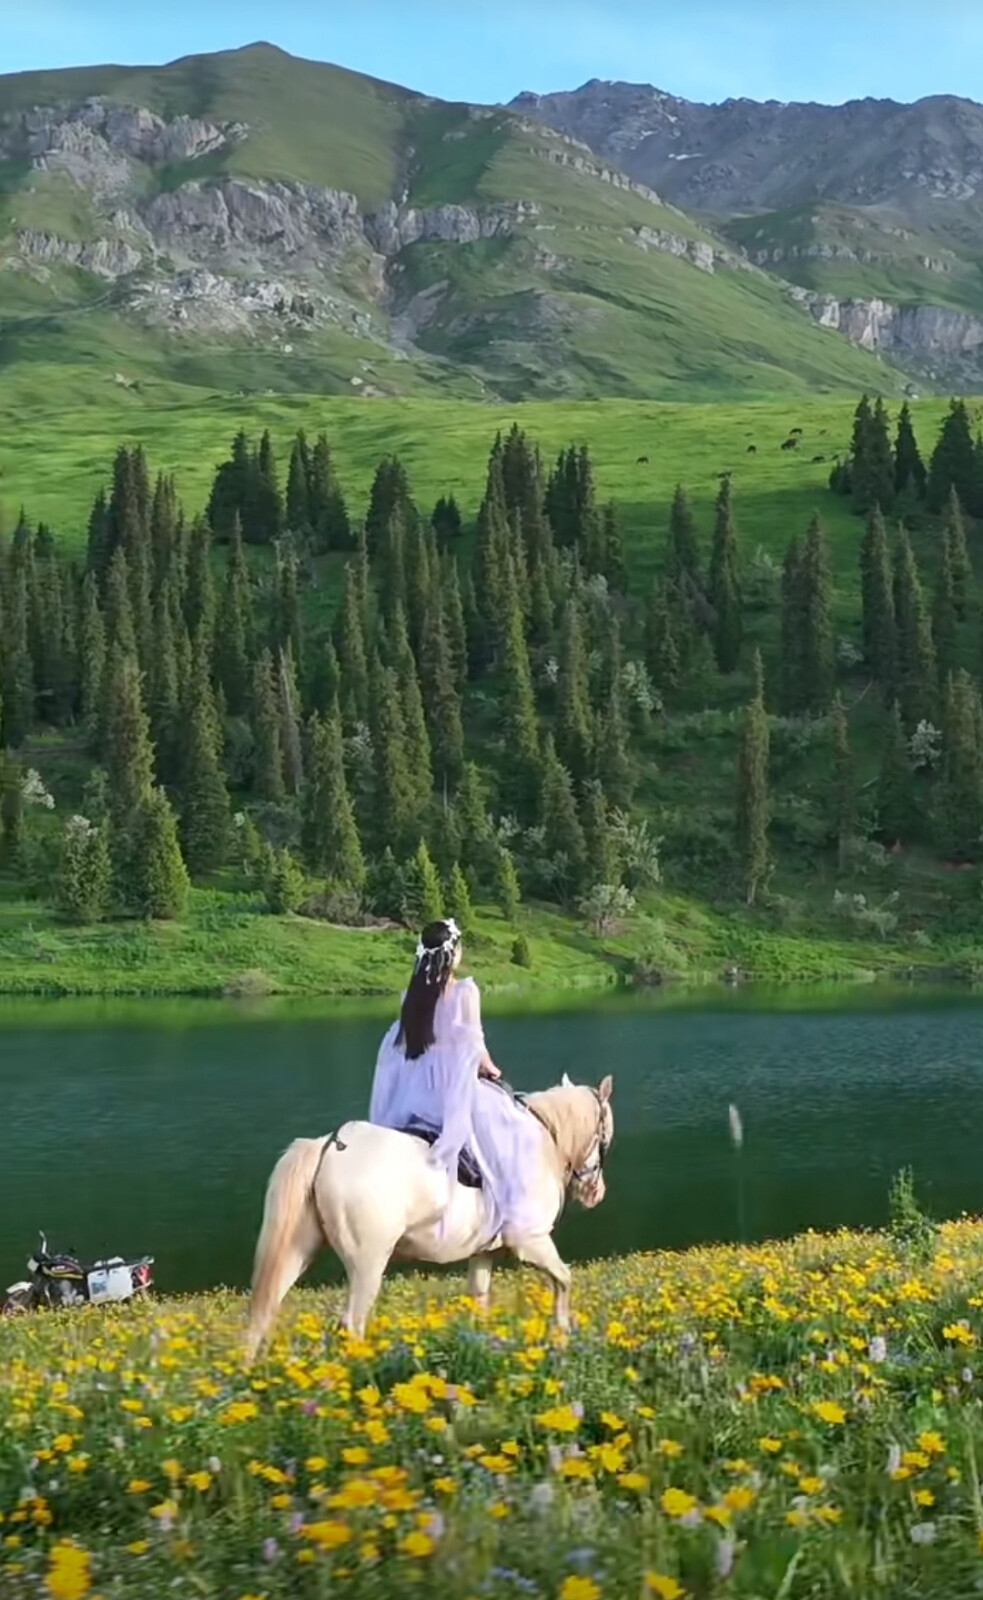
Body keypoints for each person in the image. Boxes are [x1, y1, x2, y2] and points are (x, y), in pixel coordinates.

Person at [368, 918, 551, 1240]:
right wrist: (491, 1070)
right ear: (452, 955)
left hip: (412, 1094)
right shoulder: (466, 991)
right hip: (450, 1092)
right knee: (516, 1126)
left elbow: (411, 1049)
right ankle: (509, 1213)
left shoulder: (410, 997)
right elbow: (474, 1044)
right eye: (460, 947)